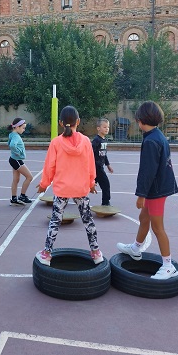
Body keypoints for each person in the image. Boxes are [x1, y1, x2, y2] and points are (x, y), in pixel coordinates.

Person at [116, 101, 178, 280]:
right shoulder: (157, 135)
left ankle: (168, 265)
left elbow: (147, 171)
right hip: (158, 187)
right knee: (144, 218)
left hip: (156, 190)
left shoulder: (151, 141)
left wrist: (141, 195)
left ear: (141, 120)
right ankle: (136, 248)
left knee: (158, 228)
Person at [35, 105, 104, 267]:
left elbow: (49, 166)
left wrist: (44, 184)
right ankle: (96, 252)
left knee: (55, 221)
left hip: (62, 189)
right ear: (78, 122)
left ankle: (47, 254)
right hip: (81, 188)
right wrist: (91, 183)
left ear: (60, 123)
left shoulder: (56, 143)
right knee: (88, 220)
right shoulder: (86, 141)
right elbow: (91, 165)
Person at [7, 117, 33, 206]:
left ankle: (14, 198)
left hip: (13, 159)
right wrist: (18, 152)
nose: (24, 130)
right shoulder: (16, 136)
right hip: (16, 160)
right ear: (17, 127)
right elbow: (12, 145)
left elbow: (9, 144)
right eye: (23, 128)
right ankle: (22, 196)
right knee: (29, 177)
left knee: (16, 179)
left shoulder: (12, 134)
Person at [91, 118, 114, 206]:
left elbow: (104, 154)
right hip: (96, 168)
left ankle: (105, 202)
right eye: (104, 127)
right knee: (105, 184)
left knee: (92, 185)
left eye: (108, 127)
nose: (107, 129)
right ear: (98, 128)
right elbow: (91, 153)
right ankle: (106, 203)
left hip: (100, 167)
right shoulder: (96, 140)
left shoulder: (104, 140)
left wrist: (108, 165)